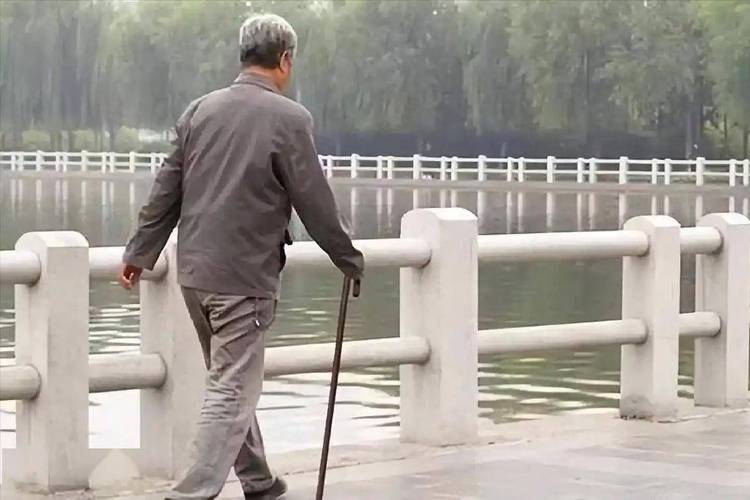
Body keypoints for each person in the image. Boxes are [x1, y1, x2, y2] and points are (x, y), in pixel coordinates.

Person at [117, 13, 364, 500]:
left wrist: (139, 251)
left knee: (230, 378)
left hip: (195, 275)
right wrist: (348, 256)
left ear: (243, 55)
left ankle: (258, 481)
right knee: (231, 387)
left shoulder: (200, 111)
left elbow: (167, 189)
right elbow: (314, 200)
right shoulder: (290, 119)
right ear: (285, 59)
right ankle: (190, 493)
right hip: (243, 279)